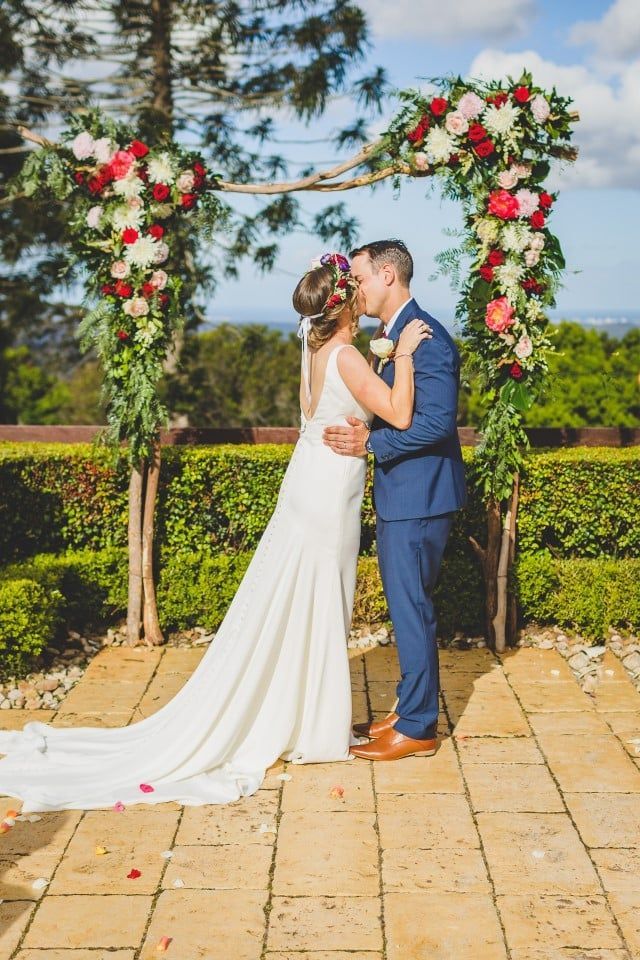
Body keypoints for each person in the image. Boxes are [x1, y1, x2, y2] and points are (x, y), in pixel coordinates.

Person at [0, 252, 430, 812]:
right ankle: (312, 725)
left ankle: (302, 713)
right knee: (323, 598)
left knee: (301, 596)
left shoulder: (312, 346)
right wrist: (406, 356)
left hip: (310, 477)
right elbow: (398, 414)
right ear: (346, 299)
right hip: (329, 489)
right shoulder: (349, 356)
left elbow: (311, 410)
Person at [323, 239, 467, 761]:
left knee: (412, 610)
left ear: (387, 275)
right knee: (409, 608)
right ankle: (409, 710)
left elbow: (434, 423)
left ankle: (420, 727)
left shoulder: (427, 340)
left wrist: (372, 443)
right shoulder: (394, 336)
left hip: (421, 496)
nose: (354, 289)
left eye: (359, 278)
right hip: (402, 495)